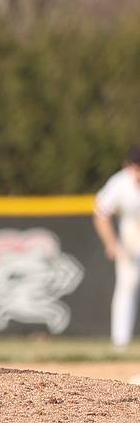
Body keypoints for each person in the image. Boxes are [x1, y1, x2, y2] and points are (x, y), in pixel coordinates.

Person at [93, 146, 140, 351]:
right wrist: (111, 242)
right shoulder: (120, 183)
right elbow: (101, 213)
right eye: (136, 167)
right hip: (132, 234)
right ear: (128, 166)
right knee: (127, 284)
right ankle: (121, 344)